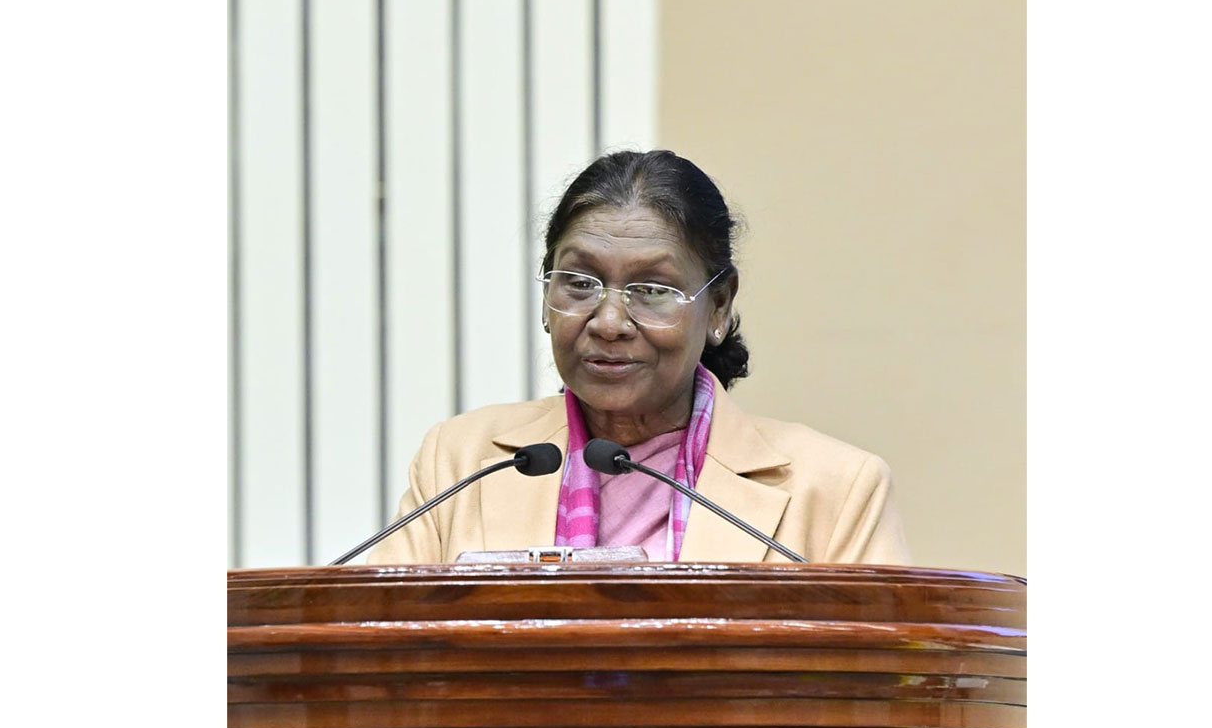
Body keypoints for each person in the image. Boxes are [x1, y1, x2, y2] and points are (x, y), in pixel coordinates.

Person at [367, 149, 911, 565]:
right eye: (578, 282)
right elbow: (376, 660)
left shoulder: (837, 489)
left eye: (652, 290)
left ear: (718, 305)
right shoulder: (461, 463)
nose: (607, 323)